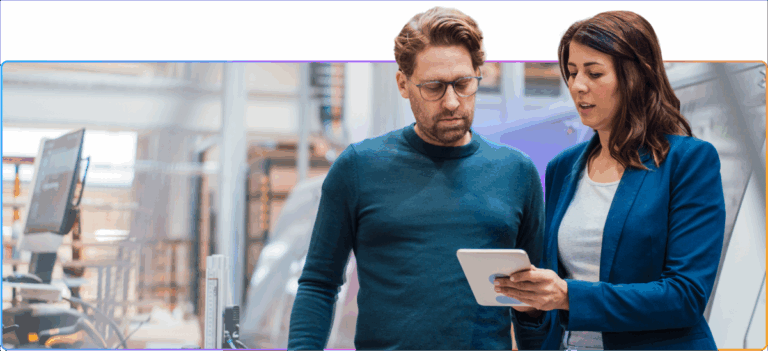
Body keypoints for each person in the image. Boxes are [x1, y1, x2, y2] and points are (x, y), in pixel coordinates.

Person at [287, 6, 545, 350]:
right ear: (403, 84)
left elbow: (534, 301)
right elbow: (319, 283)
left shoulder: (517, 172)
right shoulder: (358, 168)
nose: (452, 102)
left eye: (464, 84)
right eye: (434, 87)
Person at [494, 10, 726, 350]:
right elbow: (557, 300)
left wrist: (568, 295)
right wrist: (532, 304)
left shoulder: (688, 160)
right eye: (572, 73)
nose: (577, 86)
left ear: (634, 78)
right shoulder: (563, 167)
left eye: (594, 73)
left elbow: (685, 296)